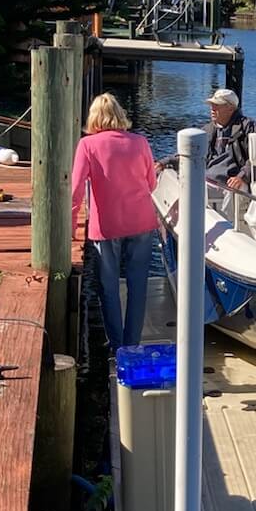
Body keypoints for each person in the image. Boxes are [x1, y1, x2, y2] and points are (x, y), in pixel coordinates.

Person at [71, 93, 158, 352]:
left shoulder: (87, 145)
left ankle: (117, 346)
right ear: (120, 115)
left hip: (107, 226)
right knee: (137, 286)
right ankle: (133, 344)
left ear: (93, 118)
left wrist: (71, 222)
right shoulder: (141, 142)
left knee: (108, 288)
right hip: (142, 220)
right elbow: (151, 183)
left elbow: (75, 189)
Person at [204, 88, 254, 190]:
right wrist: (166, 162)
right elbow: (191, 151)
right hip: (208, 177)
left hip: (234, 179)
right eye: (212, 104)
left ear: (231, 108)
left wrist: (242, 176)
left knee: (236, 187)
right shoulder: (208, 129)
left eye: (217, 105)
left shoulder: (247, 127)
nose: (212, 108)